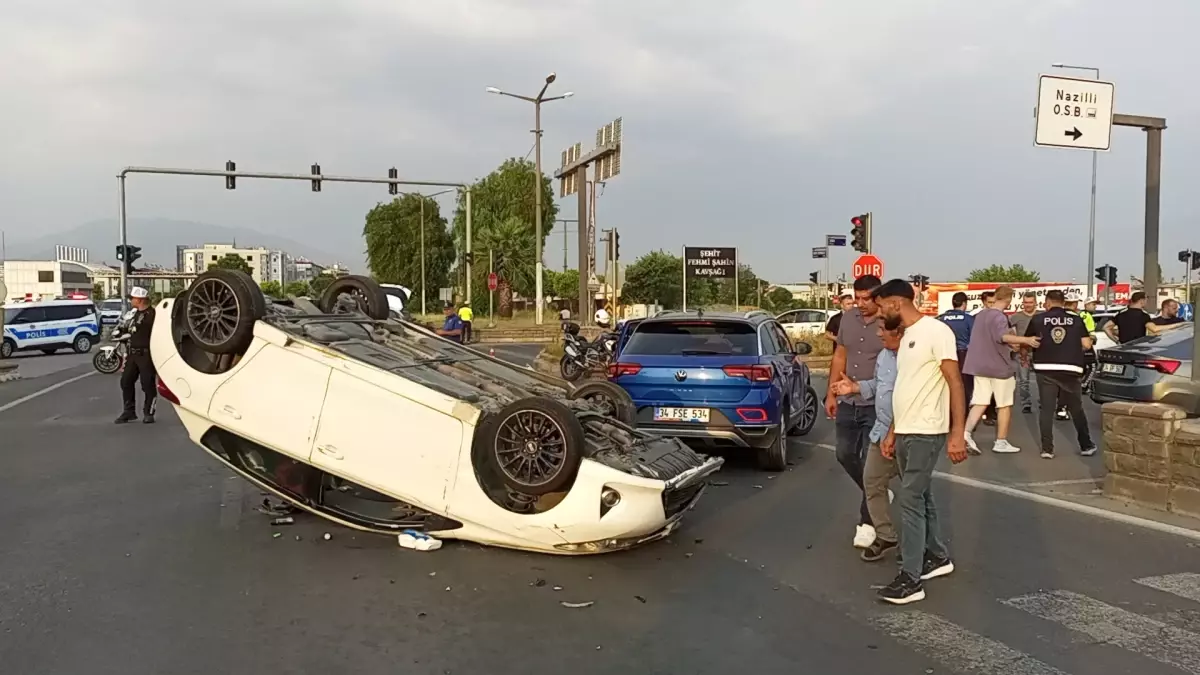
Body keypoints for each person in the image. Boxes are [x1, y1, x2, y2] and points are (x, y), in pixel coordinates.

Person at [874, 279, 968, 605]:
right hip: (906, 429)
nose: (880, 313)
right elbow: (907, 387)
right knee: (922, 495)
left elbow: (954, 382)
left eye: (882, 307)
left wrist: (958, 433)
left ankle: (910, 578)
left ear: (896, 303)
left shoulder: (936, 332)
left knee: (910, 498)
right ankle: (937, 556)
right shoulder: (907, 337)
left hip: (927, 430)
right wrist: (892, 432)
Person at [829, 316, 903, 563]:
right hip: (881, 427)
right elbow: (879, 383)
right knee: (870, 480)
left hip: (906, 430)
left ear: (898, 331)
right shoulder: (885, 356)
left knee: (916, 494)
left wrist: (893, 433)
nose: (878, 334)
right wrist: (854, 388)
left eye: (882, 330)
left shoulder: (912, 356)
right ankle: (886, 535)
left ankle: (929, 550)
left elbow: (910, 396)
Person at [825, 275, 884, 550]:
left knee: (870, 463)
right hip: (848, 399)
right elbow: (840, 355)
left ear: (878, 297)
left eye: (866, 299)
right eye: (857, 298)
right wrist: (831, 393)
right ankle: (878, 494)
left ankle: (868, 522)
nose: (860, 303)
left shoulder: (888, 321)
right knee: (844, 453)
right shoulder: (848, 319)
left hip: (876, 402)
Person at [962, 286, 1040, 454]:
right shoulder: (999, 317)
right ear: (1009, 299)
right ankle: (1001, 441)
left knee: (980, 401)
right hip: (999, 367)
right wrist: (1026, 340)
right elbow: (1002, 337)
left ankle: (966, 433)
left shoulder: (981, 315)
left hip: (979, 366)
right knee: (1004, 404)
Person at [1022, 290, 1096, 459]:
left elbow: (1027, 342)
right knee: (1076, 408)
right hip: (1071, 368)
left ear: (1048, 302)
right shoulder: (1076, 319)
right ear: (1063, 303)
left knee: (1046, 409)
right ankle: (1086, 445)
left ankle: (1047, 449)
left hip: (1045, 367)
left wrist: (1024, 357)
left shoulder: (1038, 319)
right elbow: (1086, 345)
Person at [115, 287, 158, 425]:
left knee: (147, 384)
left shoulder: (153, 314)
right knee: (126, 381)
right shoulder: (133, 314)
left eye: (132, 298)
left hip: (146, 354)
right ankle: (129, 411)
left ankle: (148, 412)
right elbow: (127, 328)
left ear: (140, 300)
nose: (130, 301)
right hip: (132, 353)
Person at [937, 292, 975, 411]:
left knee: (946, 384)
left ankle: (946, 412)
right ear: (964, 303)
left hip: (944, 355)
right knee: (964, 385)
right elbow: (975, 338)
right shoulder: (969, 319)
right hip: (963, 355)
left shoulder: (941, 318)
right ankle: (963, 413)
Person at [1007, 292, 1039, 414]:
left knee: (1042, 380)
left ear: (1035, 302)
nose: (1028, 305)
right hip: (1022, 353)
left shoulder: (1041, 315)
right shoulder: (1016, 317)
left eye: (1030, 302)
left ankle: (1043, 402)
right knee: (1024, 380)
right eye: (1026, 302)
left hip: (1039, 352)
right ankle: (1026, 403)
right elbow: (1006, 329)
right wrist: (1013, 343)